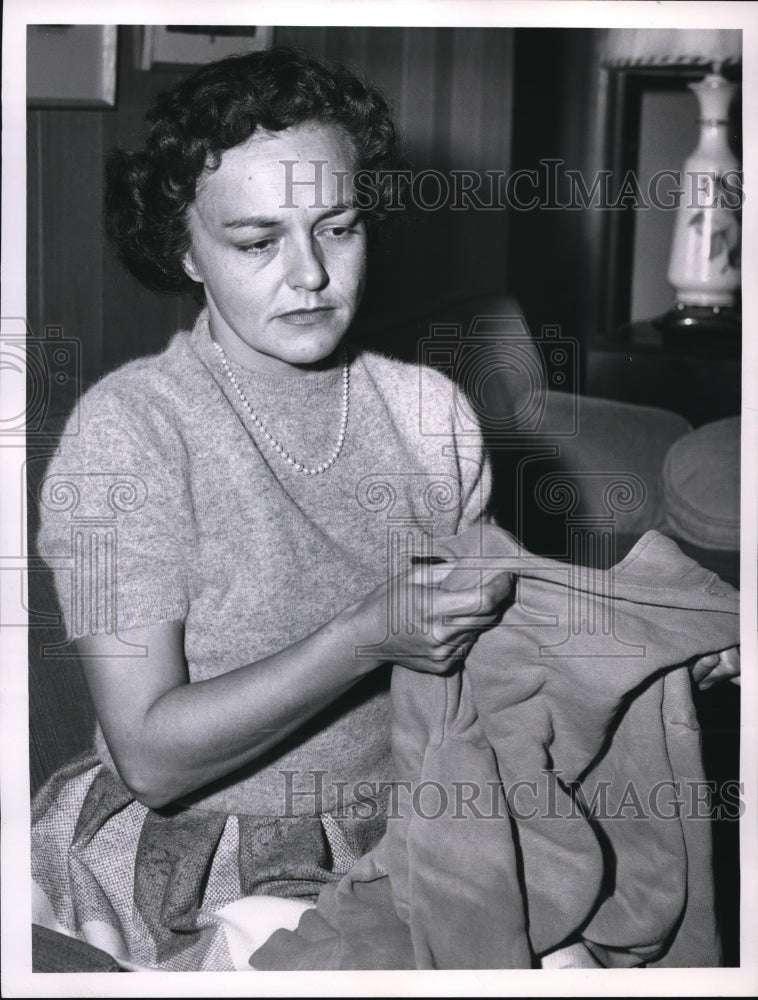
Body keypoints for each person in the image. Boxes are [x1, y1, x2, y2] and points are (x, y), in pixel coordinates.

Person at [31, 46, 738, 973]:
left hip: (416, 822)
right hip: (196, 865)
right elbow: (151, 758)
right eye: (256, 241)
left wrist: (647, 654)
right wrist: (365, 637)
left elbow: (481, 653)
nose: (311, 275)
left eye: (340, 227)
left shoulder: (428, 412)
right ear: (183, 251)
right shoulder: (130, 435)